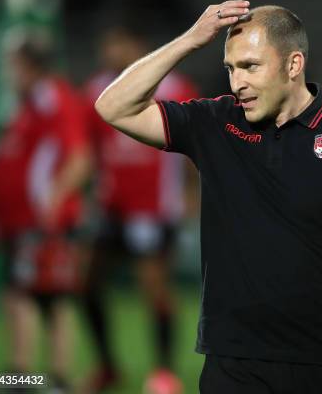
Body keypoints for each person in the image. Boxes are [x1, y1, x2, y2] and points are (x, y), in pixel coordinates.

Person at [94, 0, 322, 393]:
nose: (237, 83)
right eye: (231, 68)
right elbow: (114, 107)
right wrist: (190, 41)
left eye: (251, 66)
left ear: (293, 65)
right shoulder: (214, 122)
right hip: (233, 365)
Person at [82, 25, 199, 393]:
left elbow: (196, 144)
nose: (109, 51)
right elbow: (90, 148)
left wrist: (193, 193)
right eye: (107, 43)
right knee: (85, 282)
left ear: (138, 44)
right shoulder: (96, 90)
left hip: (153, 206)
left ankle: (164, 372)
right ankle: (106, 365)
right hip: (110, 205)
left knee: (155, 288)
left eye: (117, 42)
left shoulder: (175, 87)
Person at [0, 31, 91, 392]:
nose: (9, 73)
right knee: (36, 296)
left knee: (35, 296)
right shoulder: (30, 104)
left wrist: (54, 202)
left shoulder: (51, 99)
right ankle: (42, 378)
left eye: (13, 65)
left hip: (44, 220)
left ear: (28, 66)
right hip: (22, 220)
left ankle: (30, 377)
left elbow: (79, 158)